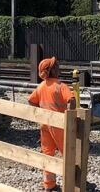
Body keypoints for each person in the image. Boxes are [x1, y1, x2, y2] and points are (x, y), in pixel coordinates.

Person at [28, 56, 74, 191]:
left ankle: (49, 185)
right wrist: (72, 117)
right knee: (68, 153)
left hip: (45, 125)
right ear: (52, 70)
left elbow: (31, 101)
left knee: (47, 154)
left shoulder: (41, 87)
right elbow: (71, 101)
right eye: (56, 66)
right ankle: (71, 183)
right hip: (60, 126)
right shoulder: (61, 86)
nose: (58, 67)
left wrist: (40, 113)